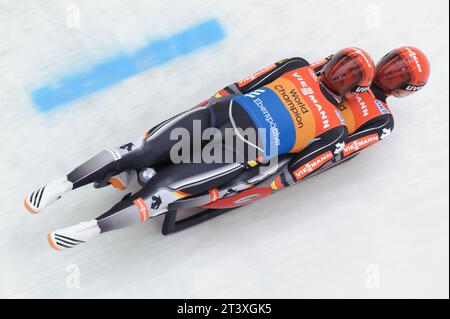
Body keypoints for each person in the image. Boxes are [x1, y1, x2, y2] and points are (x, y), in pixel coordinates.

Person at [24, 47, 376, 251]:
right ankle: (64, 184)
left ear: (354, 91)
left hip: (238, 150)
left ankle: (92, 228)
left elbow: (296, 169)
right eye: (339, 67)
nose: (339, 75)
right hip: (215, 116)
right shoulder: (298, 68)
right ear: (328, 62)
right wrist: (208, 104)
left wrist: (252, 184)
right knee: (139, 150)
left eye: (348, 75)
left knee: (162, 191)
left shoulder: (336, 127)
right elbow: (243, 85)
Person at [308, 46, 430, 172]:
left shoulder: (354, 61)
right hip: (304, 130)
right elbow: (341, 153)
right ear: (407, 90)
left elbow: (303, 72)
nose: (390, 73)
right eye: (392, 64)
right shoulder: (384, 121)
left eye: (398, 75)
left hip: (301, 125)